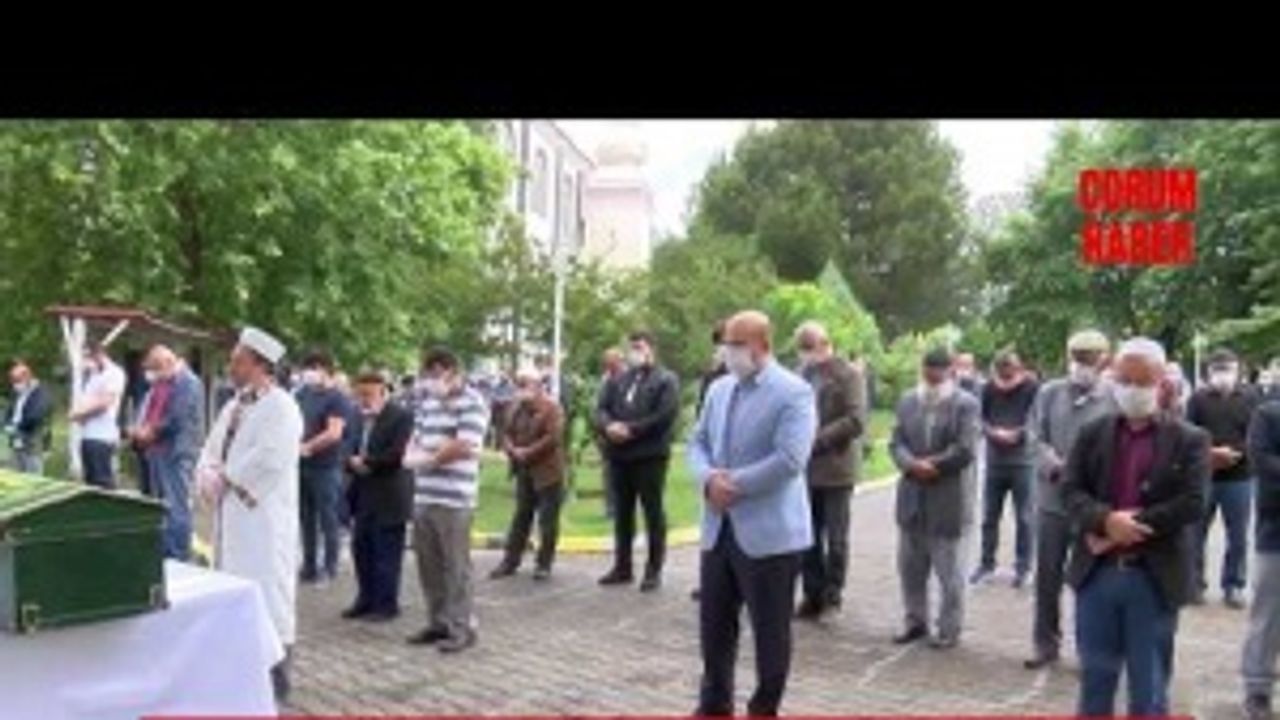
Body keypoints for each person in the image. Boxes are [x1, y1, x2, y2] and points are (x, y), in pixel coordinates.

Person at [1063, 337, 1207, 717]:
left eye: (1142, 382)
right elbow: (1070, 490)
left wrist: (1130, 526)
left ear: (1162, 383)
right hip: (1097, 575)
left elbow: (1193, 502)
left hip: (1152, 578)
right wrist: (1104, 520)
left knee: (1149, 688)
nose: (1131, 390)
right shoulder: (1092, 433)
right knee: (1095, 681)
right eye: (1124, 380)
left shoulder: (1190, 440)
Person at [688, 310, 817, 717]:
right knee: (714, 627)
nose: (728, 352)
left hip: (770, 535)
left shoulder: (793, 392)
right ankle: (714, 703)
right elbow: (697, 442)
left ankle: (764, 707)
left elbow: (790, 458)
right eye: (725, 344)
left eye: (736, 345)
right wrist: (708, 479)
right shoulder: (719, 389)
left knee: (770, 632)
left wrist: (734, 484)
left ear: (762, 345)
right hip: (718, 529)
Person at [195, 327, 303, 700]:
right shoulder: (233, 405)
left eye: (238, 361)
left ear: (261, 365)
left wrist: (227, 477)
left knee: (268, 593)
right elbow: (211, 448)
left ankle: (276, 679)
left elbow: (270, 459)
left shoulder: (283, 408)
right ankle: (238, 671)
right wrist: (206, 473)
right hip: (231, 518)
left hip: (263, 521)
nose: (232, 367)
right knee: (233, 588)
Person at [1024, 329, 1115, 670]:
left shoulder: (1114, 398)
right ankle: (1045, 643)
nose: (1082, 366)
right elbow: (1033, 436)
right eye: (1077, 359)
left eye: (1089, 359)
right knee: (1047, 577)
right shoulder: (1049, 393)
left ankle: (1091, 648)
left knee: (1092, 579)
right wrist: (1053, 464)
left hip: (1092, 504)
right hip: (1052, 502)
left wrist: (1085, 471)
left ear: (1104, 360)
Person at [889, 348, 980, 650]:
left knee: (949, 572)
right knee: (910, 568)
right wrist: (911, 464)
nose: (931, 380)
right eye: (927, 374)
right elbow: (896, 442)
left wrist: (932, 465)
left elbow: (965, 448)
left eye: (937, 375)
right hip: (912, 497)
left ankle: (949, 629)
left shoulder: (965, 404)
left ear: (950, 372)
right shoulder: (908, 400)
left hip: (948, 499)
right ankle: (915, 621)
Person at [403, 346, 490, 654]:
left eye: (438, 374)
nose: (433, 380)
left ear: (454, 372)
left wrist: (428, 458)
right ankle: (438, 621)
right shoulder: (427, 402)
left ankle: (461, 627)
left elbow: (463, 445)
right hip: (425, 494)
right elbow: (415, 441)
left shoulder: (472, 402)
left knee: (456, 567)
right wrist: (424, 453)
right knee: (429, 564)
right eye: (429, 374)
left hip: (455, 498)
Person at [595, 331, 680, 592]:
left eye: (639, 347)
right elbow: (601, 408)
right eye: (631, 347)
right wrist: (608, 426)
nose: (634, 352)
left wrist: (630, 430)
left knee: (652, 512)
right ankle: (623, 566)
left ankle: (653, 570)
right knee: (622, 513)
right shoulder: (619, 379)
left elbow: (664, 416)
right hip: (619, 456)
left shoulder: (666, 380)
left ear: (651, 348)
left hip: (649, 456)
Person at [793, 321, 864, 621]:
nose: (806, 355)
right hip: (805, 469)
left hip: (836, 468)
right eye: (802, 349)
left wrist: (818, 439)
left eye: (810, 348)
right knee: (806, 536)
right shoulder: (800, 375)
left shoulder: (848, 375)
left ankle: (833, 596)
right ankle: (812, 594)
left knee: (836, 538)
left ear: (825, 344)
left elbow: (855, 420)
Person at [1187, 348, 1257, 608]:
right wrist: (1210, 453)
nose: (1223, 375)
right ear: (1209, 372)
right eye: (1218, 369)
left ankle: (1234, 585)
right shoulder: (1198, 399)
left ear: (1237, 371)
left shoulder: (1250, 398)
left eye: (1228, 369)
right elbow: (1189, 434)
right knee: (1196, 532)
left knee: (1237, 535)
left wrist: (1236, 453)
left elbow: (1256, 435)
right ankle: (1194, 583)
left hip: (1240, 476)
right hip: (1204, 476)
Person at [343, 370, 414, 622]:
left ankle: (385, 604)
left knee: (386, 552)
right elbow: (347, 444)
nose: (363, 400)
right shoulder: (356, 416)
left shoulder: (401, 416)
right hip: (363, 491)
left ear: (383, 393)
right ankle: (365, 599)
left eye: (368, 395)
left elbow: (398, 453)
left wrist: (368, 462)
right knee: (361, 548)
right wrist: (350, 461)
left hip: (389, 492)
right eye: (359, 394)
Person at [127, 345, 204, 561]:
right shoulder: (162, 383)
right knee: (161, 506)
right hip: (156, 451)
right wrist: (140, 430)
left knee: (177, 505)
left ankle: (179, 553)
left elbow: (176, 418)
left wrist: (149, 432)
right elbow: (151, 411)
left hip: (176, 453)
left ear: (168, 363)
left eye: (155, 369)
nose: (153, 375)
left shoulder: (189, 382)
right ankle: (165, 550)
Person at [490, 366, 566, 581]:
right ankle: (510, 561)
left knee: (547, 520)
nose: (521, 389)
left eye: (525, 384)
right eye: (519, 384)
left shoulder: (552, 408)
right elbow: (505, 433)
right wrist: (511, 449)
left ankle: (544, 564)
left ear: (538, 386)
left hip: (548, 473)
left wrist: (528, 452)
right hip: (524, 470)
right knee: (521, 516)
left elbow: (552, 438)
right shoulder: (514, 407)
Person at [972, 350, 1039, 588]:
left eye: (1009, 369)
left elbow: (1036, 417)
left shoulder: (1032, 388)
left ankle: (1024, 567)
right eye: (1001, 370)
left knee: (1025, 518)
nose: (1005, 375)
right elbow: (979, 417)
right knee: (989, 517)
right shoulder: (988, 388)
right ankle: (986, 565)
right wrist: (992, 432)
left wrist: (1019, 434)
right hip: (995, 461)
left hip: (1023, 462)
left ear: (1018, 368)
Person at [294, 349, 351, 583]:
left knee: (328, 518)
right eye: (307, 369)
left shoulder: (337, 398)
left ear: (324, 369)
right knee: (305, 517)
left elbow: (334, 432)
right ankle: (308, 565)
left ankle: (330, 566)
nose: (308, 374)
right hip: (302, 466)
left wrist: (307, 447)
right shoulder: (302, 394)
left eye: (312, 369)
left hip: (326, 467)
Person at [1243, 389, 1280, 719]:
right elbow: (1263, 466)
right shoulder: (1268, 414)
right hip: (1276, 533)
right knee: (1268, 615)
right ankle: (1258, 688)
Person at [691, 322, 730, 603]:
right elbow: (700, 419)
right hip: (714, 460)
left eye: (726, 343)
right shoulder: (712, 378)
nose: (721, 349)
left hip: (739, 464)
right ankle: (711, 581)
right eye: (718, 344)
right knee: (711, 524)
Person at [70, 342, 127, 489]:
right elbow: (87, 400)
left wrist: (79, 414)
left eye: (88, 356)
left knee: (102, 481)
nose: (86, 361)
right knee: (90, 480)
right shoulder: (93, 376)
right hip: (87, 434)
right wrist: (80, 415)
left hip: (102, 436)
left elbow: (105, 403)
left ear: (99, 354)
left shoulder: (114, 373)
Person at [595, 348, 627, 519]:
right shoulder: (605, 380)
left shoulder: (630, 378)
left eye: (612, 362)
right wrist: (606, 426)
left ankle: (624, 506)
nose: (608, 365)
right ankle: (611, 507)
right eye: (607, 362)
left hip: (627, 432)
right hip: (608, 435)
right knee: (609, 473)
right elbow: (600, 408)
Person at [5, 359, 52, 475]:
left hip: (33, 439)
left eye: (17, 380)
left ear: (27, 378)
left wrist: (17, 427)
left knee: (32, 473)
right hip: (15, 438)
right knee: (15, 472)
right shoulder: (17, 393)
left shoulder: (41, 392)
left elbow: (35, 416)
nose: (15, 384)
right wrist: (7, 424)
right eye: (13, 380)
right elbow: (9, 410)